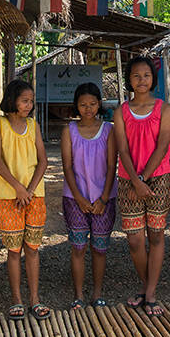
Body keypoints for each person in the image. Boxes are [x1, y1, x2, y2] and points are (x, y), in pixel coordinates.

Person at [112, 56, 170, 316]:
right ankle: (147, 284)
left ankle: (149, 293)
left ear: (153, 79)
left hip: (158, 178)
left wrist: (146, 177)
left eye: (146, 76)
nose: (141, 80)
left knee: (156, 235)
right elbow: (122, 149)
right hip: (129, 181)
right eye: (136, 76)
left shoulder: (165, 109)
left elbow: (163, 145)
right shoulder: (121, 112)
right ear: (129, 79)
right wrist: (136, 180)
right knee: (135, 240)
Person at [0, 80, 50, 318]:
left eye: (31, 101)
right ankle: (17, 299)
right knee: (13, 251)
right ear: (13, 100)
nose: (29, 105)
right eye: (25, 100)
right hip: (7, 197)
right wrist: (18, 188)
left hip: (34, 196)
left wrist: (30, 190)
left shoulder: (33, 125)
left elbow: (43, 160)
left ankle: (35, 299)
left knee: (33, 249)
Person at [60, 83, 117, 307]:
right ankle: (78, 295)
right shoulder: (69, 131)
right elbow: (67, 166)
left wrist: (103, 198)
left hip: (105, 198)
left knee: (100, 248)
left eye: (92, 104)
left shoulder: (109, 130)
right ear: (76, 106)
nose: (88, 109)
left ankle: (97, 293)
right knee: (78, 246)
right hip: (75, 198)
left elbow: (113, 165)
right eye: (83, 105)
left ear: (99, 104)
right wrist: (80, 198)